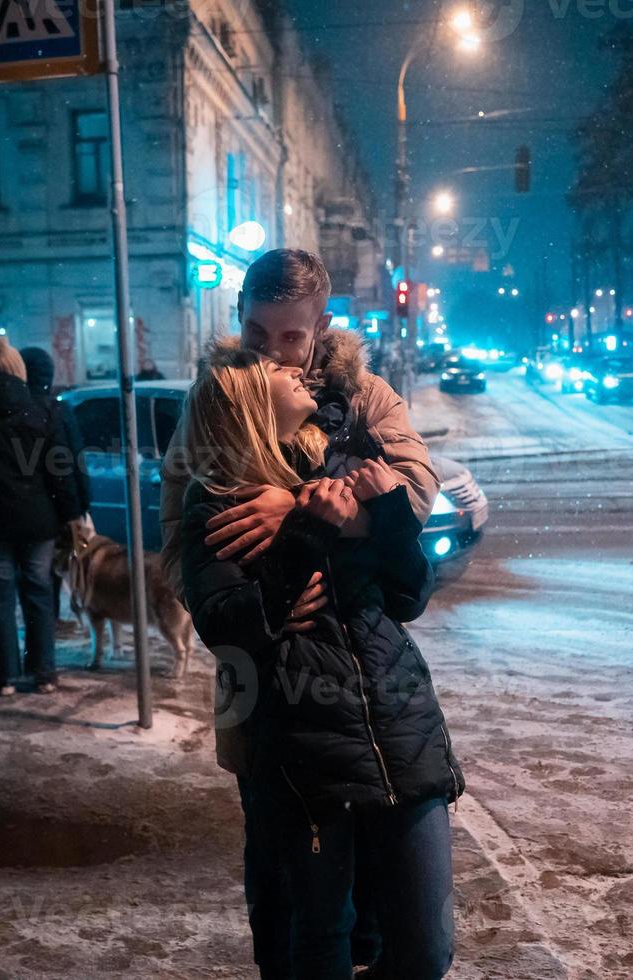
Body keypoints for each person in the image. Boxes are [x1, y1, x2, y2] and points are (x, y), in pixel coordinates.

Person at [159, 248, 440, 975]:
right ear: (241, 317)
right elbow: (183, 534)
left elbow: (414, 493)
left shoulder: (366, 395)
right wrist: (248, 617)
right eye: (257, 332)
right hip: (269, 703)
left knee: (384, 921)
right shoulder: (214, 395)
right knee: (292, 918)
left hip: (371, 685)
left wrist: (300, 505)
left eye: (290, 336)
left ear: (319, 326)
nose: (272, 349)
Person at [0, 338, 81, 696]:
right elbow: (60, 472)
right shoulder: (43, 413)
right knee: (39, 591)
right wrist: (70, 513)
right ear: (19, 372)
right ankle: (45, 673)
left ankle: (4, 676)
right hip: (39, 522)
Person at [19, 346, 91, 627]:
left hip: (24, 509)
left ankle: (40, 628)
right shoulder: (56, 411)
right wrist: (79, 507)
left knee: (29, 575)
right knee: (46, 572)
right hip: (51, 509)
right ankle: (45, 632)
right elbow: (72, 463)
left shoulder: (17, 410)